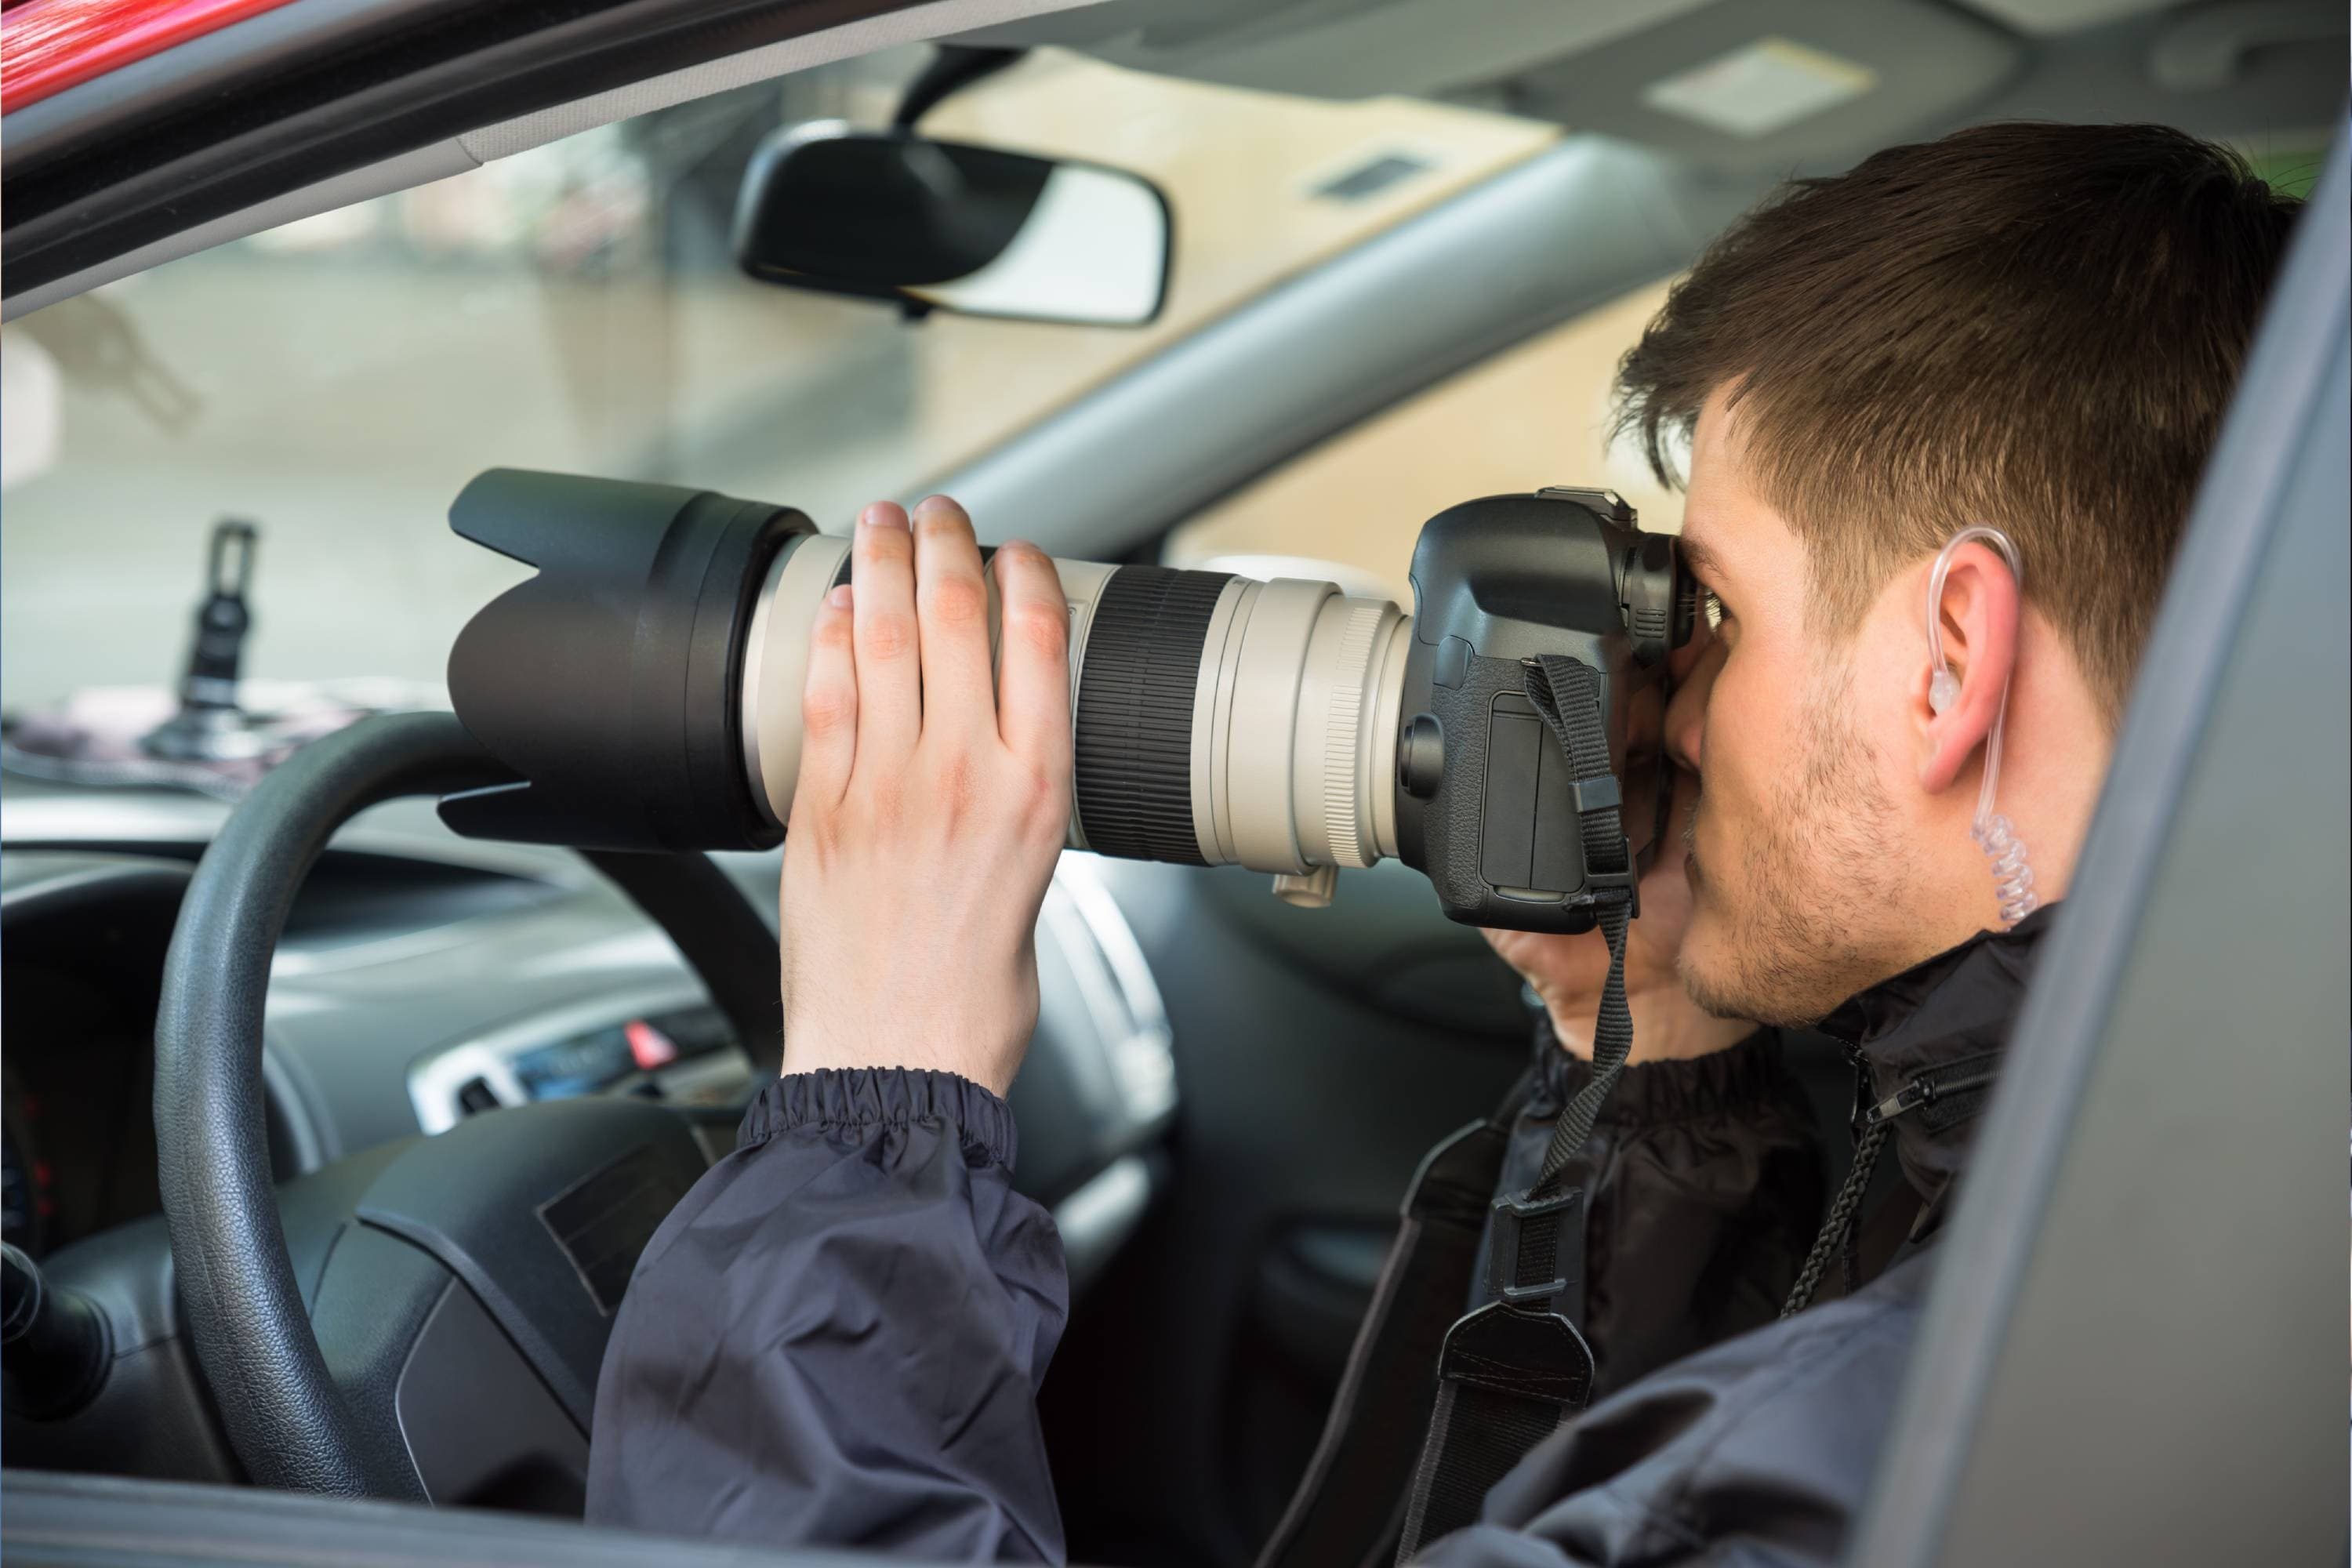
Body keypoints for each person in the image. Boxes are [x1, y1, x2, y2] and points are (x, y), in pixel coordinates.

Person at [583, 122, 2301, 1563]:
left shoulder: (1926, 1437)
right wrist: (1650, 1055)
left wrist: (874, 1114)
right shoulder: (2146, 1218)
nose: (1678, 711)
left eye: (1717, 616)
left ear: (1950, 659)